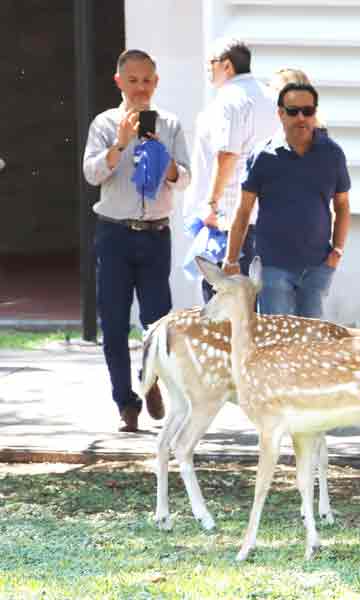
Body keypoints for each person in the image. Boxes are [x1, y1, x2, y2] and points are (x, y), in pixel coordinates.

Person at [83, 49, 191, 432]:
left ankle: (152, 383)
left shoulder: (171, 123)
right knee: (113, 323)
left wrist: (165, 158)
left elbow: (186, 178)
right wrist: (122, 144)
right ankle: (125, 403)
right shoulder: (104, 123)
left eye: (147, 80)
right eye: (133, 80)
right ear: (119, 82)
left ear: (156, 82)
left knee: (158, 323)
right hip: (114, 233)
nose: (140, 87)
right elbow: (92, 174)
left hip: (156, 234)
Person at [223, 82, 350, 321]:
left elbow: (342, 205)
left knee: (312, 345)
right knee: (276, 344)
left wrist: (337, 251)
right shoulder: (263, 155)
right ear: (280, 113)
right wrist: (231, 258)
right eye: (293, 111)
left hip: (317, 267)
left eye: (308, 111)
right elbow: (243, 211)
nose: (301, 117)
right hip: (272, 267)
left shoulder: (332, 154)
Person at [184, 38, 279, 301]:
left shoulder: (229, 100)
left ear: (227, 65)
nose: (207, 69)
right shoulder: (272, 97)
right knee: (258, 304)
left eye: (211, 63)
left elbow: (227, 154)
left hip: (230, 218)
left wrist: (211, 203)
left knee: (222, 303)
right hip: (268, 216)